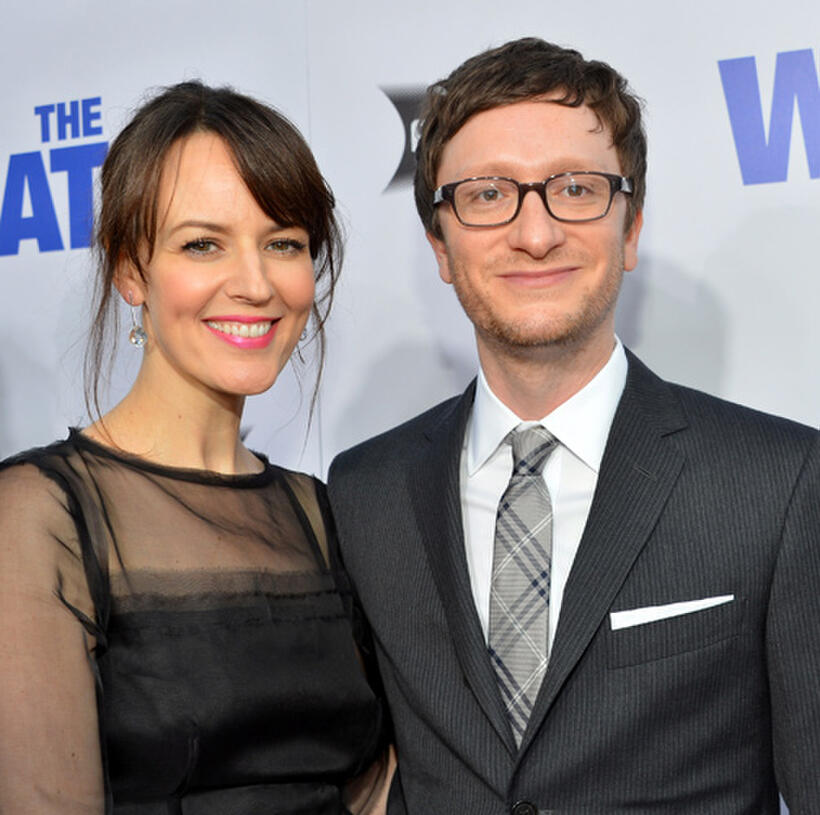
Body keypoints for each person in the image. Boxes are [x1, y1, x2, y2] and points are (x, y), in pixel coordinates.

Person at [327, 38, 820, 814]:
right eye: (488, 195)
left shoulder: (779, 481)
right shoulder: (362, 493)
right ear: (441, 246)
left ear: (629, 230)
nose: (534, 232)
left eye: (577, 189)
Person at [0, 81, 393, 814]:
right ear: (128, 270)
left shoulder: (325, 513)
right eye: (202, 243)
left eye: (283, 243)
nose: (253, 282)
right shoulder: (40, 517)